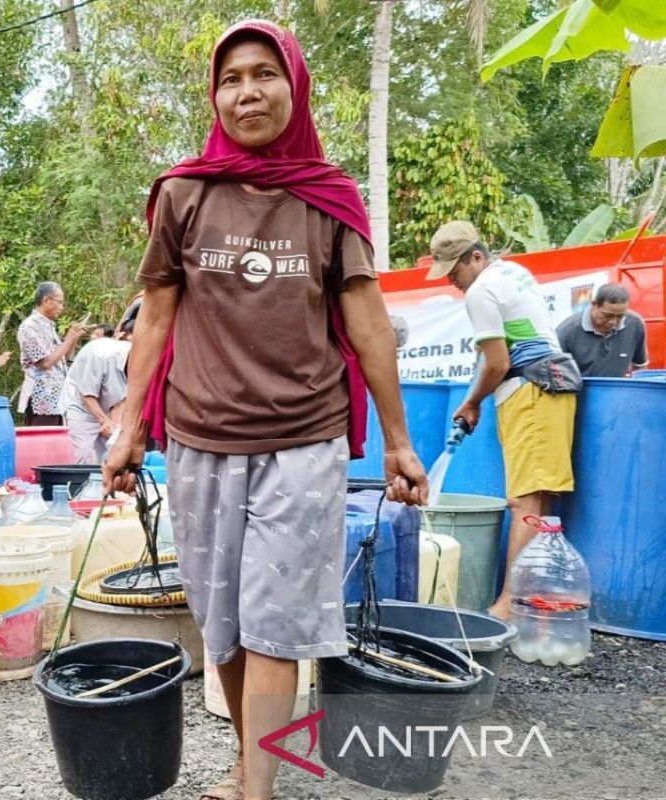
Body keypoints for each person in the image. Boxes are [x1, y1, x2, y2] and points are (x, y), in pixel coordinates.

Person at [101, 21, 427, 800]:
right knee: (223, 624)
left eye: (264, 74)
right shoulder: (184, 193)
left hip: (302, 439)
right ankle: (255, 761)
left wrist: (397, 440)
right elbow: (154, 315)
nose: (247, 92)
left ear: (295, 85)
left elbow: (368, 321)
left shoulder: (331, 196)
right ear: (215, 95)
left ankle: (260, 790)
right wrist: (128, 426)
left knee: (277, 622)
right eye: (231, 78)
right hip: (200, 436)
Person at [427, 220, 580, 621]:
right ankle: (528, 600)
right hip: (553, 385)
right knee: (541, 495)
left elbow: (498, 362)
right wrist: (473, 400)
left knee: (523, 498)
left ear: (476, 256)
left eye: (455, 271)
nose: (454, 282)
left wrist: (472, 402)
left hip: (529, 390)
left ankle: (508, 604)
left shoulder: (481, 291)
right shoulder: (515, 272)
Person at [63, 310, 135, 463]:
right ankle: (78, 485)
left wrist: (113, 426)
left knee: (113, 453)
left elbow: (122, 400)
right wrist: (104, 421)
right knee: (82, 455)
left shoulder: (139, 363)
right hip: (80, 405)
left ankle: (106, 485)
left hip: (107, 406)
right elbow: (87, 395)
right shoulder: (100, 355)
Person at [17, 281, 87, 425]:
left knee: (55, 445)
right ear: (47, 300)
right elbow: (45, 363)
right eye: (60, 303)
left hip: (57, 399)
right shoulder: (29, 327)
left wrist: (73, 338)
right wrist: (68, 341)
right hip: (41, 400)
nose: (62, 307)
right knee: (40, 445)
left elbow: (63, 358)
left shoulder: (49, 326)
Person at [555, 283, 648, 377]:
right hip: (579, 390)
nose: (613, 322)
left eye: (620, 316)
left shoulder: (634, 324)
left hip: (618, 390)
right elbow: (556, 375)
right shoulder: (566, 332)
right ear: (594, 305)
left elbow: (640, 367)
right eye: (608, 316)